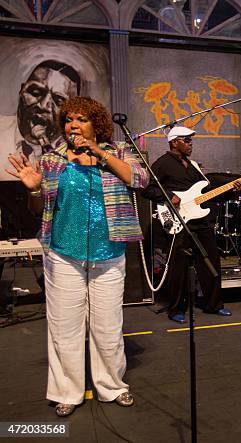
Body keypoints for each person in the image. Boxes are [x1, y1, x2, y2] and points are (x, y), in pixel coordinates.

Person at [6, 96, 148, 417]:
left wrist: (99, 153)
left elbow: (140, 180)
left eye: (81, 119)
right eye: (69, 120)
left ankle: (111, 385)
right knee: (65, 326)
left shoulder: (117, 152)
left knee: (108, 325)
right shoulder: (53, 158)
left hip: (108, 250)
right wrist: (32, 190)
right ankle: (67, 390)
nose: (74, 125)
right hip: (62, 251)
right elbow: (40, 207)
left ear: (95, 124)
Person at [142, 126, 241, 322]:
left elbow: (207, 192)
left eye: (191, 140)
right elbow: (147, 189)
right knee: (179, 267)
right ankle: (177, 308)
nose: (190, 144)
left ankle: (213, 304)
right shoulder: (162, 164)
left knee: (211, 261)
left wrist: (232, 189)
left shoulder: (193, 165)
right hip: (180, 221)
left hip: (201, 221)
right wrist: (169, 196)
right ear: (174, 142)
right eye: (186, 140)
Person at [0, 60, 81, 180]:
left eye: (59, 101)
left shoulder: (78, 152)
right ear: (21, 91)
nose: (43, 105)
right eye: (35, 92)